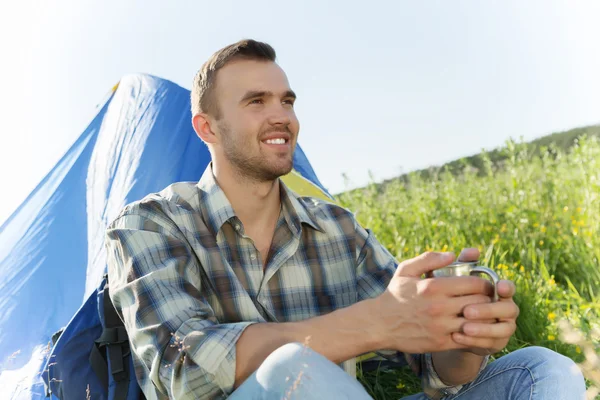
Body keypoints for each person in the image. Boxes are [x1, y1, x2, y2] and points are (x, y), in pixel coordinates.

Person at [105, 39, 586, 400]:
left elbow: (435, 370)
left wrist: (462, 336)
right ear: (207, 127)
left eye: (287, 101)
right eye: (257, 102)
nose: (282, 117)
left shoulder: (337, 228)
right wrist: (375, 323)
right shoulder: (149, 224)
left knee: (544, 371)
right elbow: (181, 372)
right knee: (294, 368)